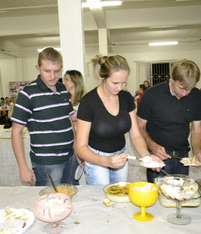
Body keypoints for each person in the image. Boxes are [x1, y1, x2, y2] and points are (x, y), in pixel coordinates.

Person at [76, 55, 163, 186]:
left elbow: (135, 135)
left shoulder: (126, 98)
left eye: (124, 82)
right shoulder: (89, 102)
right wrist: (106, 161)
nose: (120, 88)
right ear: (104, 78)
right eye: (115, 83)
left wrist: (146, 156)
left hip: (121, 155)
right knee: (102, 201)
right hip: (97, 159)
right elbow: (81, 148)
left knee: (120, 196)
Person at [11, 47, 79, 186]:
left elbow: (69, 119)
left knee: (70, 198)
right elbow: (16, 131)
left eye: (57, 71)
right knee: (50, 202)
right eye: (47, 71)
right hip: (47, 163)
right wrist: (23, 167)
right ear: (38, 68)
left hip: (70, 157)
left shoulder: (62, 89)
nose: (53, 76)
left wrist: (77, 150)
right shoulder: (28, 93)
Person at [137, 59, 201, 183]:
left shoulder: (196, 96)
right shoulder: (151, 95)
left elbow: (196, 129)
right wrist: (152, 146)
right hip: (158, 158)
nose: (185, 94)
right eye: (181, 88)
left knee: (181, 196)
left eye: (189, 89)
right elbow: (139, 127)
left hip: (183, 158)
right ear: (171, 79)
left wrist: (198, 151)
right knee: (159, 198)